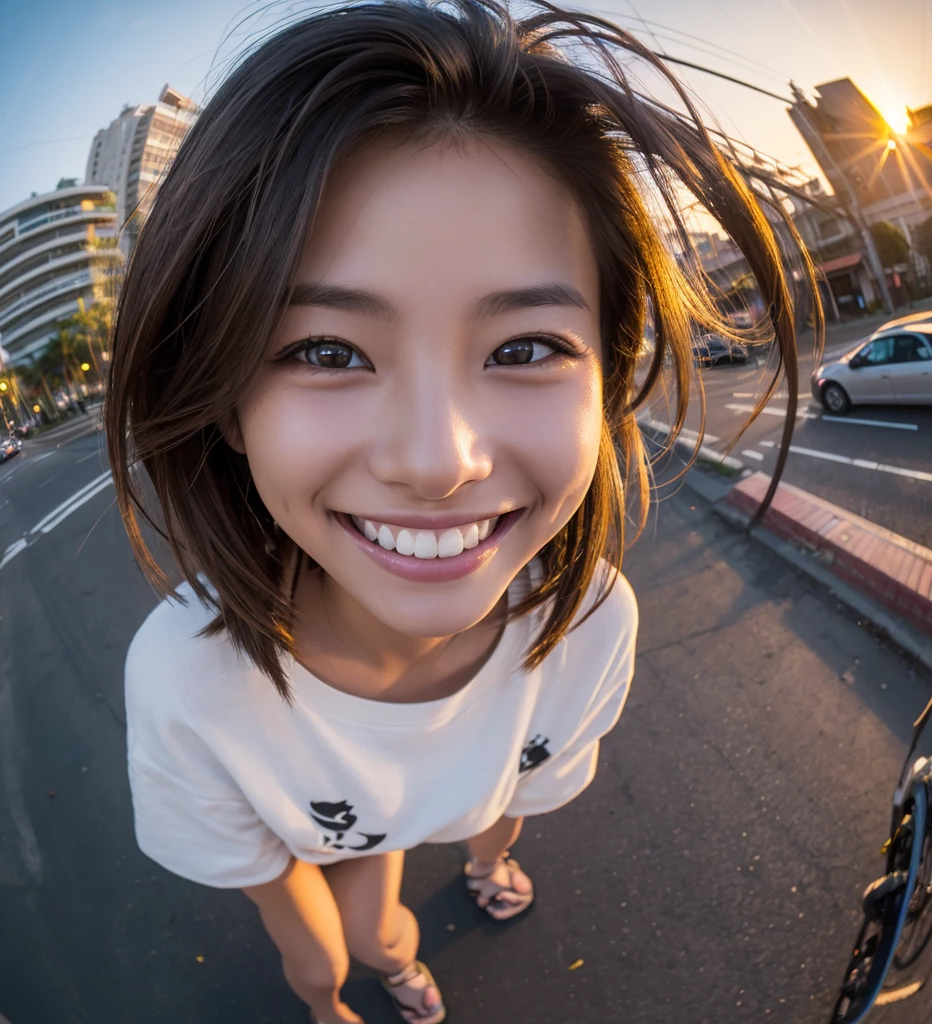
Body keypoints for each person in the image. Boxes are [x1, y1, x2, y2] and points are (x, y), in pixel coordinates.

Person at [105, 3, 819, 1022]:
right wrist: (336, 981)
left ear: (607, 379)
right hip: (332, 840)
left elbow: (520, 794)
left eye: (524, 347)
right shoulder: (185, 681)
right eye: (324, 351)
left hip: (463, 808)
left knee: (495, 829)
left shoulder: (590, 624)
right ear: (224, 402)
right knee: (348, 947)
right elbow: (269, 881)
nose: (439, 463)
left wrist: (488, 851)